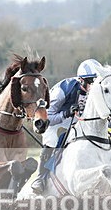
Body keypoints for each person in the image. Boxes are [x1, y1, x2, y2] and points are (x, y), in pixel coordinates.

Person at [31, 58, 102, 194]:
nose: (93, 86)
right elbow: (48, 116)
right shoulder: (64, 88)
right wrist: (66, 113)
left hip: (77, 122)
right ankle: (40, 178)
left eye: (96, 81)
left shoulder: (97, 91)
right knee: (53, 141)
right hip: (54, 122)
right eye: (90, 82)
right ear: (81, 80)